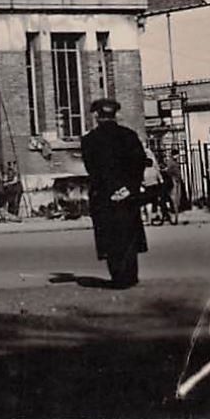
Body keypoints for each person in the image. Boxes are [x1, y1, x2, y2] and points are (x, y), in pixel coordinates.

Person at [79, 98, 147, 288]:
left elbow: (92, 169)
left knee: (110, 236)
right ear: (115, 114)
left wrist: (109, 190)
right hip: (128, 195)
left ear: (97, 116)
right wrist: (129, 188)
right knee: (129, 235)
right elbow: (139, 163)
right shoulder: (129, 136)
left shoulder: (89, 140)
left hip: (104, 196)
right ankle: (131, 276)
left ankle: (117, 276)